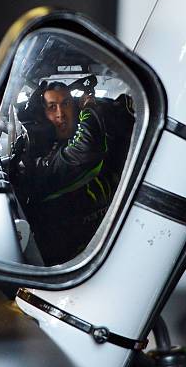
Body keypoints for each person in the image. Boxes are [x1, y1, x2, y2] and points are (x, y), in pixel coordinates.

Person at [11, 80, 130, 265]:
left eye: (66, 103)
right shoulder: (38, 161)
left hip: (108, 250)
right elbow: (85, 149)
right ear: (42, 115)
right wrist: (90, 108)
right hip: (70, 265)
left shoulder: (91, 140)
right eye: (52, 107)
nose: (61, 114)